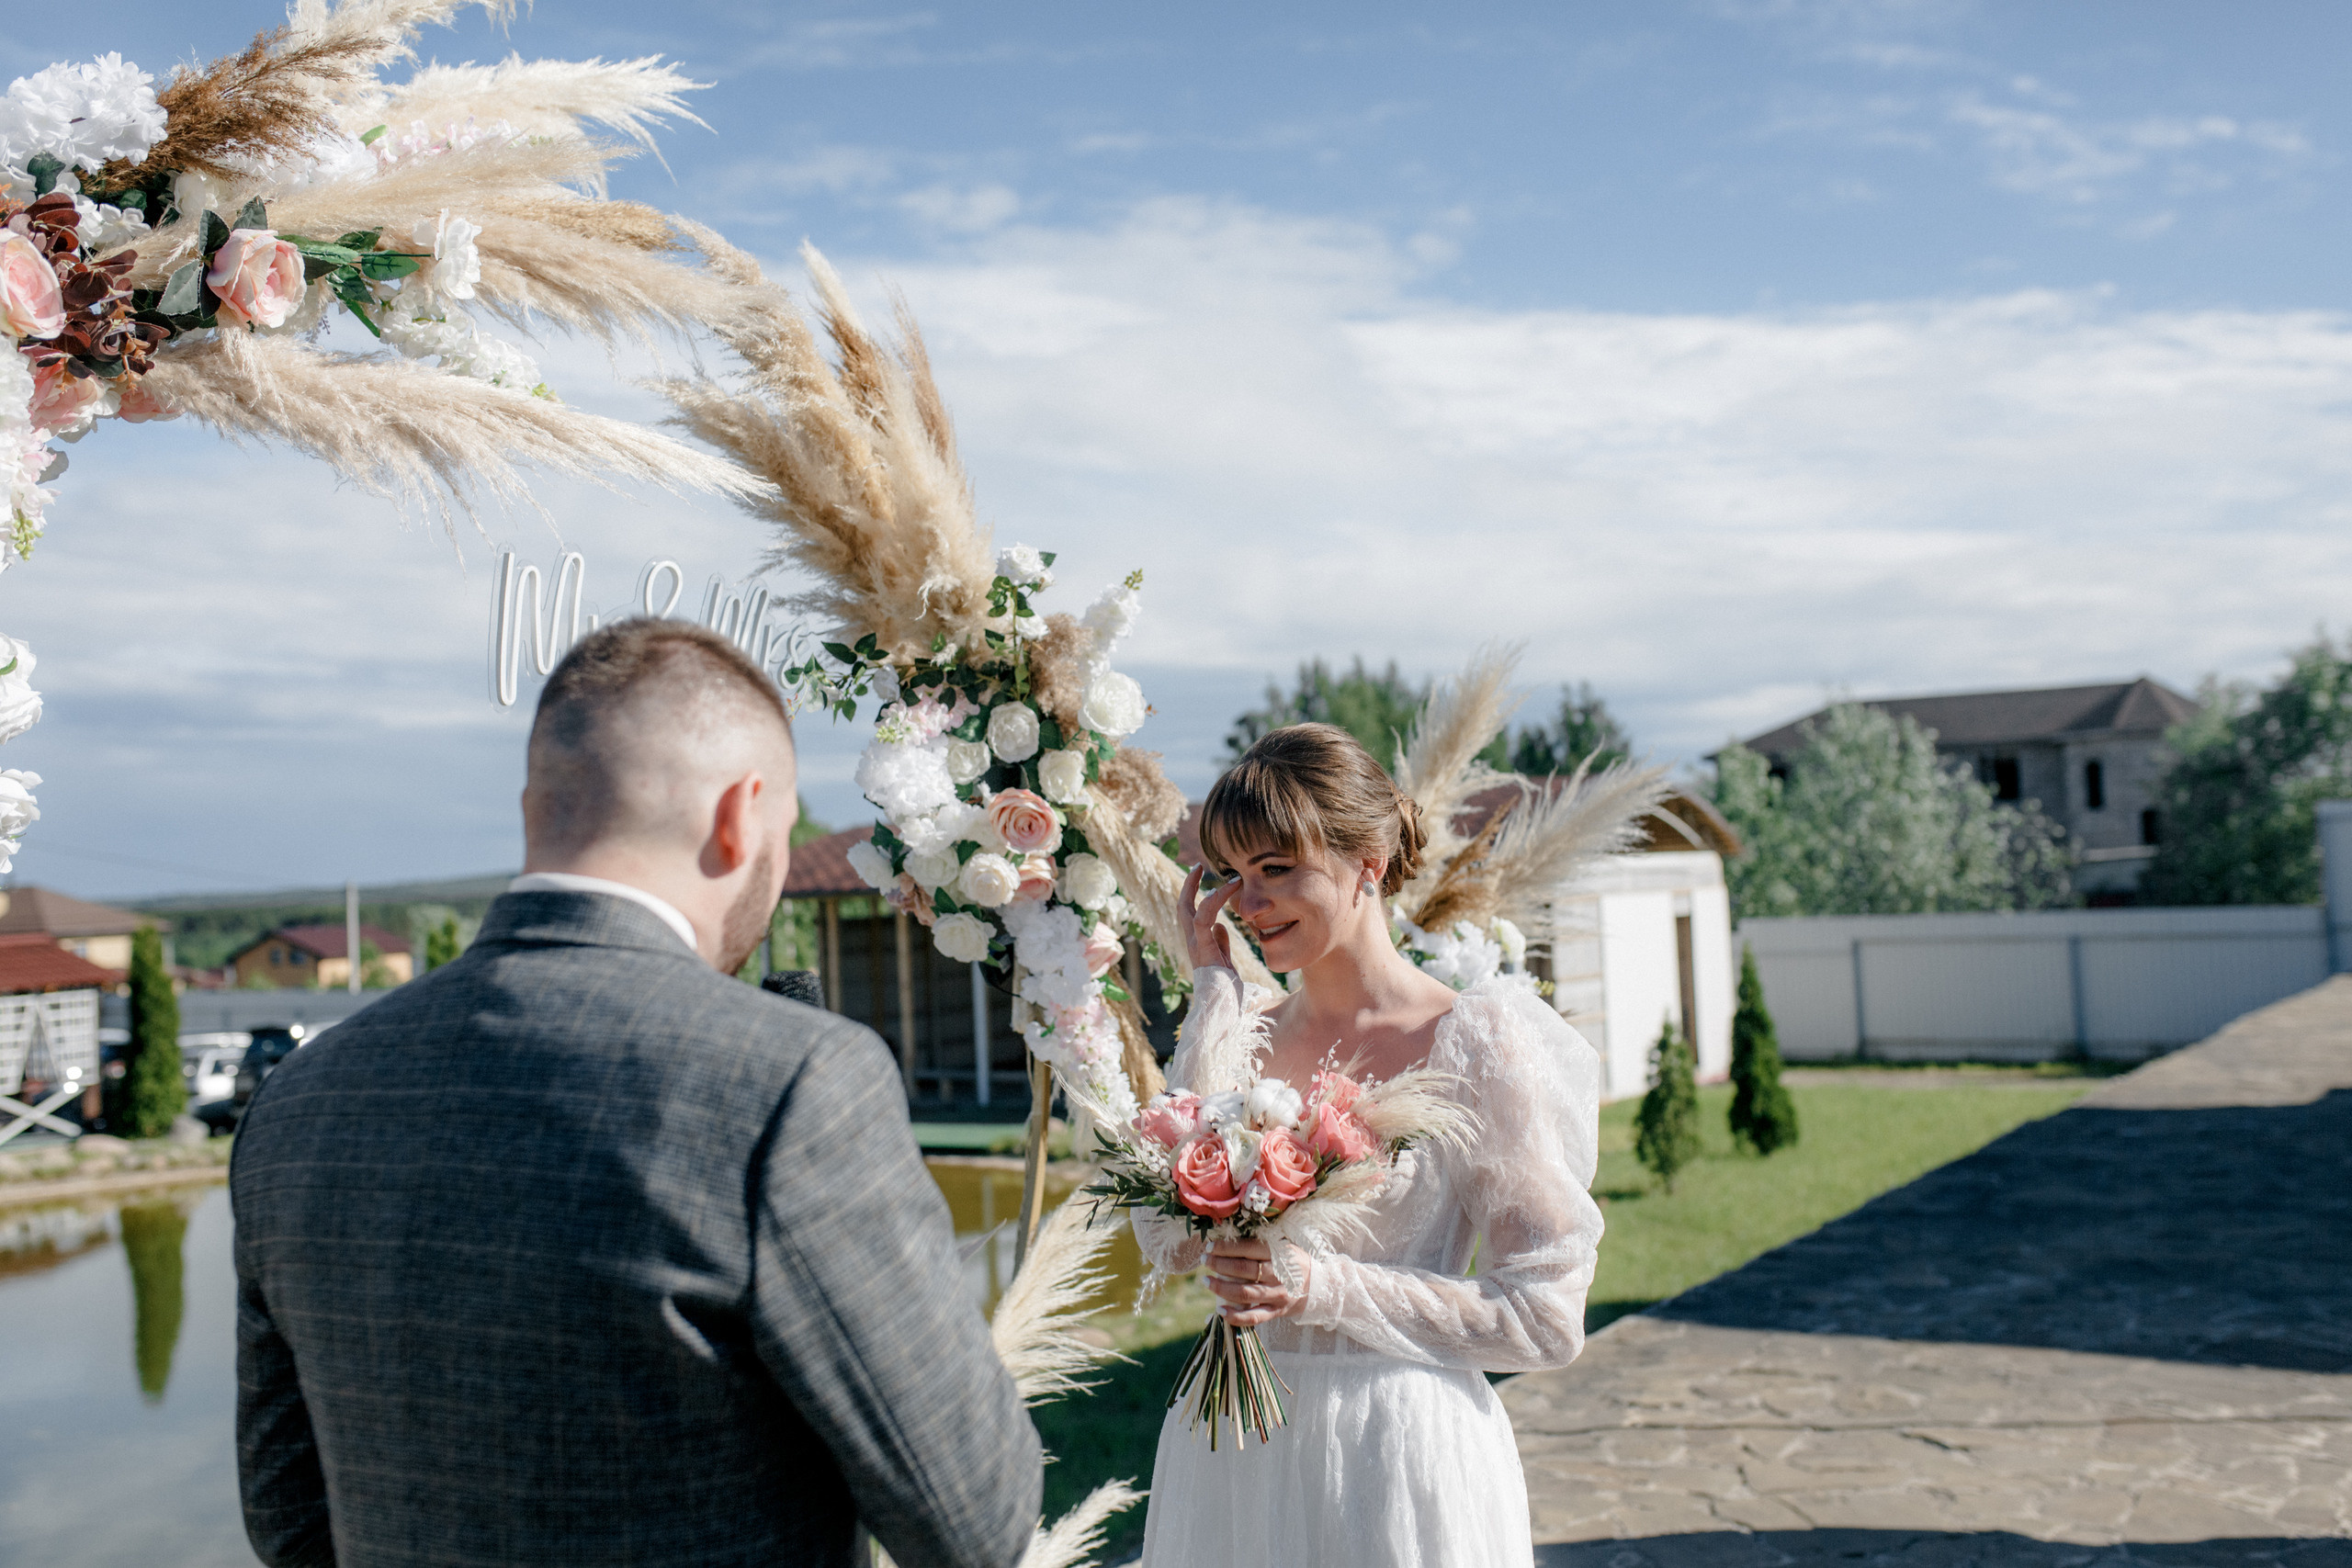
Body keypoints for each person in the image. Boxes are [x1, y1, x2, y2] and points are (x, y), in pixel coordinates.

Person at [232, 619, 1041, 1568]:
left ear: (537, 807)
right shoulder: (790, 1083)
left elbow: (287, 1521)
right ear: (741, 816)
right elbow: (975, 1520)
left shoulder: (299, 1097)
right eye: (781, 838)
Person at [1133, 723, 1602, 1567]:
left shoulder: (1480, 1042)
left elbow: (1544, 1319)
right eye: (1235, 874)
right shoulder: (1237, 1031)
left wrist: (1322, 1288)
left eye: (1278, 868)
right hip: (1232, 1455)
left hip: (1399, 1461)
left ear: (1369, 864)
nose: (1249, 901)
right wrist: (1212, 993)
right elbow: (1164, 1242)